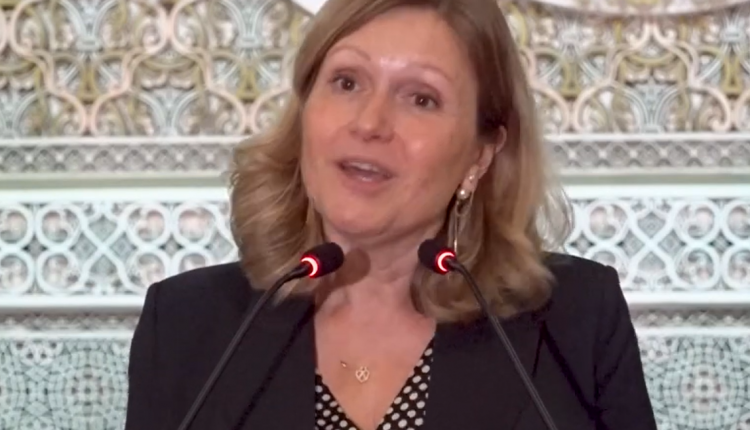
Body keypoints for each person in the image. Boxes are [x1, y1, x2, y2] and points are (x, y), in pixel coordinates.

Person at [124, 0, 658, 429]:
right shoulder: (185, 326)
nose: (370, 123)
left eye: (421, 99)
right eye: (347, 82)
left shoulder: (575, 318)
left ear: (480, 155)